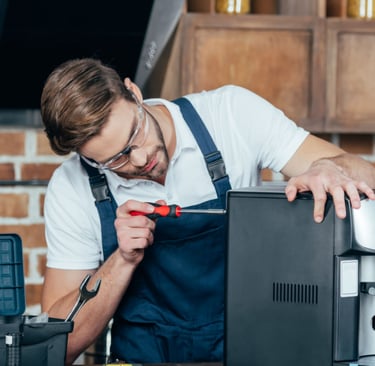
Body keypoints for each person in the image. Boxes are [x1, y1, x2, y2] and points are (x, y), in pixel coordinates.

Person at [40, 58, 375, 364]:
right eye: (116, 160)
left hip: (248, 354)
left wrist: (331, 168)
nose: (140, 160)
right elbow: (56, 348)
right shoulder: (72, 187)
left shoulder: (229, 115)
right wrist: (121, 262)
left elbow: (365, 174)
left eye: (135, 134)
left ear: (134, 93)